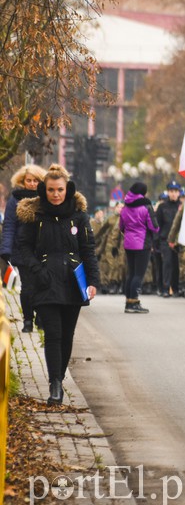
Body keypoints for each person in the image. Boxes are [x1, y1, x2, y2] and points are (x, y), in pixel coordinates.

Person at [15, 165, 100, 405]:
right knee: (52, 334)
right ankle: (54, 385)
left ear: (67, 189)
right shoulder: (35, 215)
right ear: (45, 190)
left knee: (66, 335)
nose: (55, 194)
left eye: (60, 189)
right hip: (45, 282)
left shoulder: (79, 216)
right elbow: (23, 247)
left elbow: (88, 250)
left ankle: (60, 378)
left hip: (73, 282)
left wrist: (93, 281)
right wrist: (37, 270)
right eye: (51, 190)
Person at [2, 164, 46, 332]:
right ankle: (28, 319)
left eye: (36, 180)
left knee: (42, 285)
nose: (32, 184)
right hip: (22, 250)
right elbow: (9, 226)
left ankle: (41, 318)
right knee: (27, 287)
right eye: (29, 180)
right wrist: (6, 250)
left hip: (42, 250)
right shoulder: (15, 199)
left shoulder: (44, 198)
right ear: (22, 181)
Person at [119, 182, 159, 313]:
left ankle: (128, 301)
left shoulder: (125, 208)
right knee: (139, 274)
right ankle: (134, 302)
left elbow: (121, 227)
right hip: (142, 244)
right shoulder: (146, 207)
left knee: (131, 273)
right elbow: (154, 226)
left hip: (128, 244)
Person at [156, 181, 182, 297]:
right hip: (165, 240)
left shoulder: (181, 206)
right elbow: (157, 225)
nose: (173, 194)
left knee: (177, 265)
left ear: (178, 193)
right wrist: (155, 241)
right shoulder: (162, 207)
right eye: (171, 191)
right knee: (166, 264)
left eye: (175, 192)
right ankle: (165, 288)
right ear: (168, 192)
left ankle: (176, 288)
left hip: (178, 241)